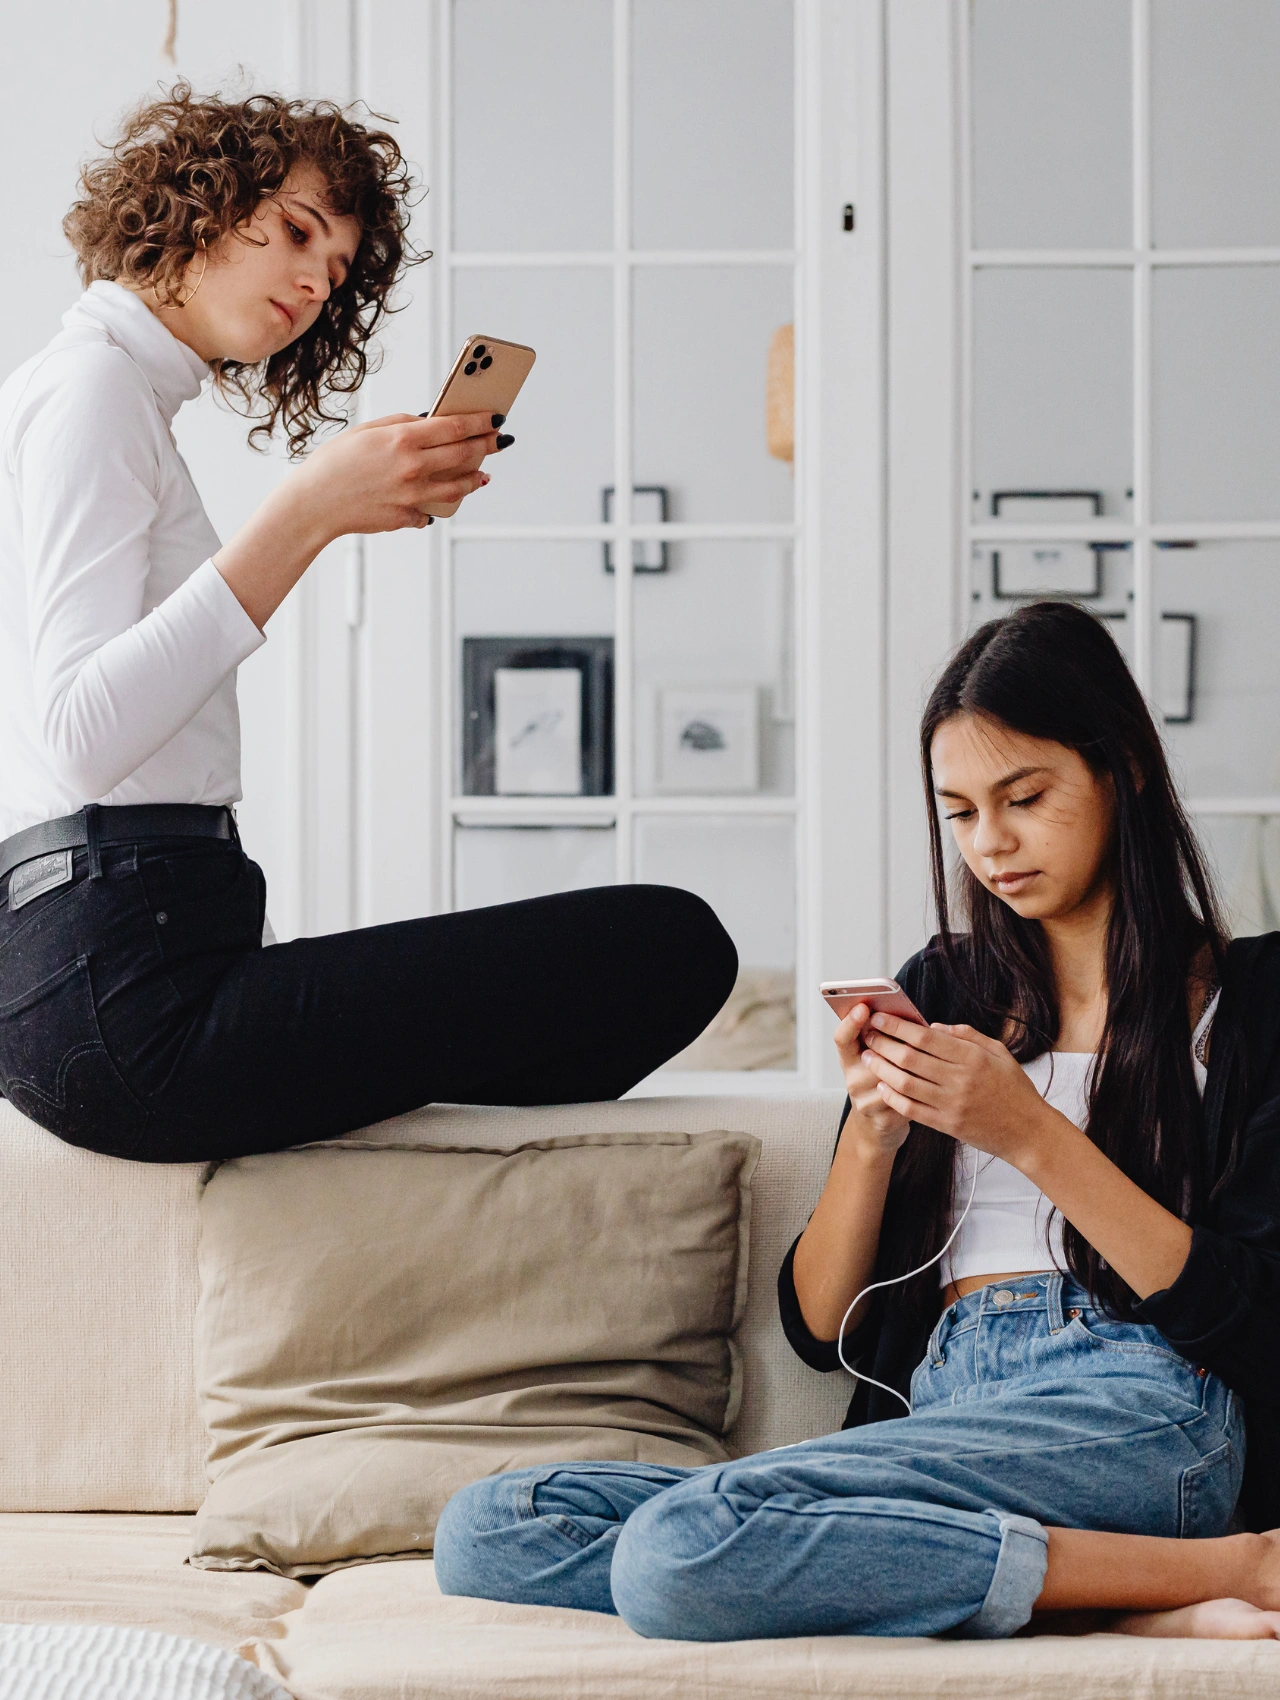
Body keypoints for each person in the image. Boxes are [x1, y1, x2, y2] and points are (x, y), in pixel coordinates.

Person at [434, 601, 1280, 1641]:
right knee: (494, 1526)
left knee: (676, 1551)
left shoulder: (1251, 1000)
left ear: (1125, 770)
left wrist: (1027, 1132)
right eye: (959, 812)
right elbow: (821, 1326)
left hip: (1139, 1408)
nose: (991, 843)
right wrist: (874, 1137)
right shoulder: (946, 990)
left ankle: (1233, 1564)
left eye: (1024, 797)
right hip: (946, 1402)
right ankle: (1121, 1591)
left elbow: (1256, 1320)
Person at [0, 88, 736, 1164]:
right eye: (297, 231)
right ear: (199, 202)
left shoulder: (114, 394)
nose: (314, 284)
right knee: (669, 945)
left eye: (338, 273)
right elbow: (77, 735)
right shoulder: (93, 386)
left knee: (630, 977)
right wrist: (307, 512)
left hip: (119, 966)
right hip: (121, 981)